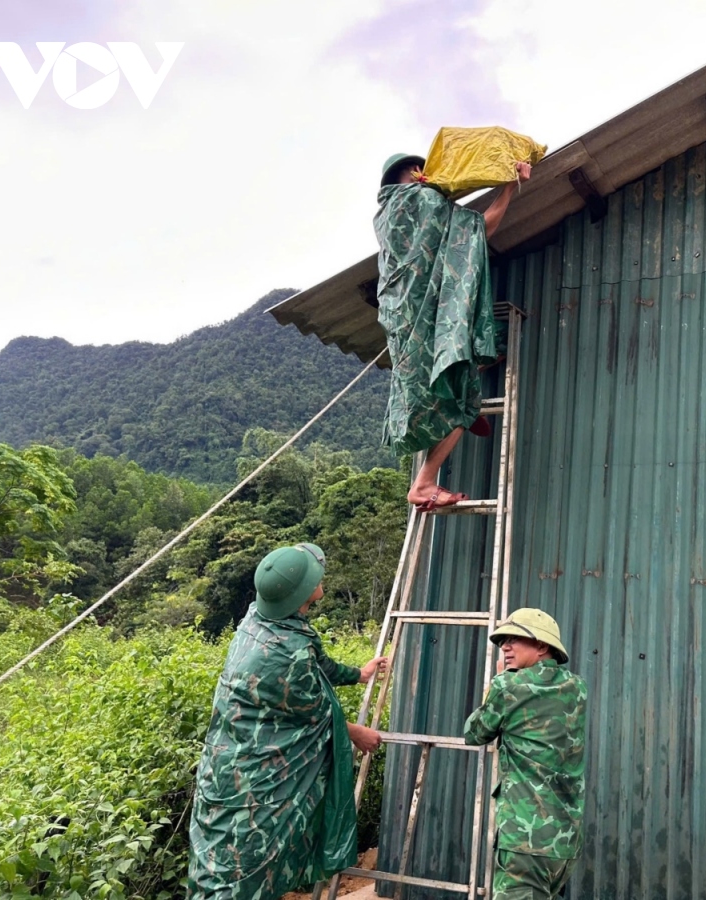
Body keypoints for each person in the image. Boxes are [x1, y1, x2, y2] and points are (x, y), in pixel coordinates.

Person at [187, 543, 389, 900]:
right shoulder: (284, 655)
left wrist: (359, 673)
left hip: (227, 766)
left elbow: (316, 663)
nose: (320, 575)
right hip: (251, 781)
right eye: (315, 575)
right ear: (301, 594)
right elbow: (317, 718)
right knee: (242, 866)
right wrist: (357, 734)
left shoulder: (262, 619)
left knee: (237, 864)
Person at [374, 152, 532, 510]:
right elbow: (478, 231)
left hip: (401, 322)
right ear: (417, 173)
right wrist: (509, 182)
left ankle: (476, 364)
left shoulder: (384, 219)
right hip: (428, 321)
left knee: (434, 381)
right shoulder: (424, 200)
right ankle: (425, 483)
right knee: (460, 403)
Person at [463, 608, 587, 900]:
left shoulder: (508, 685)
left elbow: (474, 733)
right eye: (503, 641)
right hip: (565, 843)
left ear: (542, 646)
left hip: (524, 840)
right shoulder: (578, 688)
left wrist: (496, 683)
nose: (505, 647)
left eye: (515, 639)